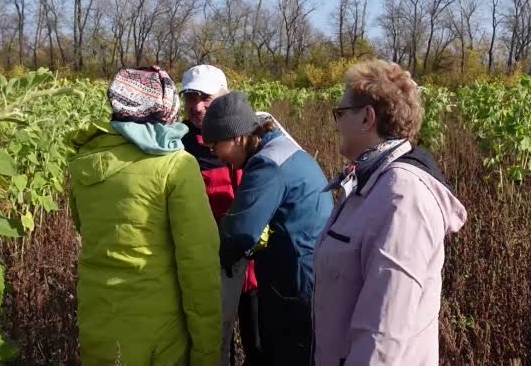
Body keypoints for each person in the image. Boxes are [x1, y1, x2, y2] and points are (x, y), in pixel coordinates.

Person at [313, 60, 467, 366]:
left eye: (341, 113)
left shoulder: (402, 197)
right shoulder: (370, 180)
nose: (336, 123)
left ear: (367, 117)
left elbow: (384, 334)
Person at [68, 66, 221, 366]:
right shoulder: (176, 165)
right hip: (160, 336)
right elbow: (199, 267)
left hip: (98, 324)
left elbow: (85, 229)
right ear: (167, 110)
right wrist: (206, 351)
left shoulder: (84, 159)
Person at [202, 92, 334, 366]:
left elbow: (239, 233)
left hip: (294, 282)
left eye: (216, 144)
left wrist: (212, 261)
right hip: (311, 270)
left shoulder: (266, 165)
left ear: (238, 137)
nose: (214, 152)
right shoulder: (282, 147)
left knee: (290, 354)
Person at [179, 64, 262, 366]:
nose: (197, 106)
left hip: (252, 266)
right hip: (208, 264)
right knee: (215, 343)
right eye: (190, 97)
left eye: (206, 98)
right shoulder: (179, 146)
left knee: (257, 341)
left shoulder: (248, 138)